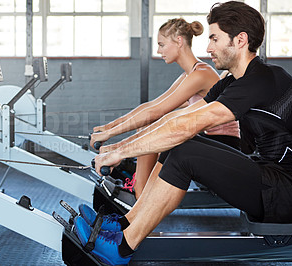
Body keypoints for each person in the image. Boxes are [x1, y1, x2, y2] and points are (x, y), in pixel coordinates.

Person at [74, 1, 292, 265]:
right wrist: (116, 147)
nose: (208, 48)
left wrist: (120, 151)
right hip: (272, 176)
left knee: (186, 150)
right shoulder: (232, 81)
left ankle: (121, 247)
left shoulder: (262, 80)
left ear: (240, 40)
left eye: (214, 38)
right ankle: (125, 223)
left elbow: (185, 126)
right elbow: (177, 118)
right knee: (179, 145)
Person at [90, 18, 240, 201]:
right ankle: (140, 193)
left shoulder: (202, 74)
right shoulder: (189, 74)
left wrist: (111, 141)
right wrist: (109, 128)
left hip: (223, 144)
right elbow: (152, 105)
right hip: (207, 139)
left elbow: (156, 112)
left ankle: (139, 198)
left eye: (162, 44)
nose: (159, 50)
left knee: (152, 126)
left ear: (179, 41)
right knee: (149, 125)